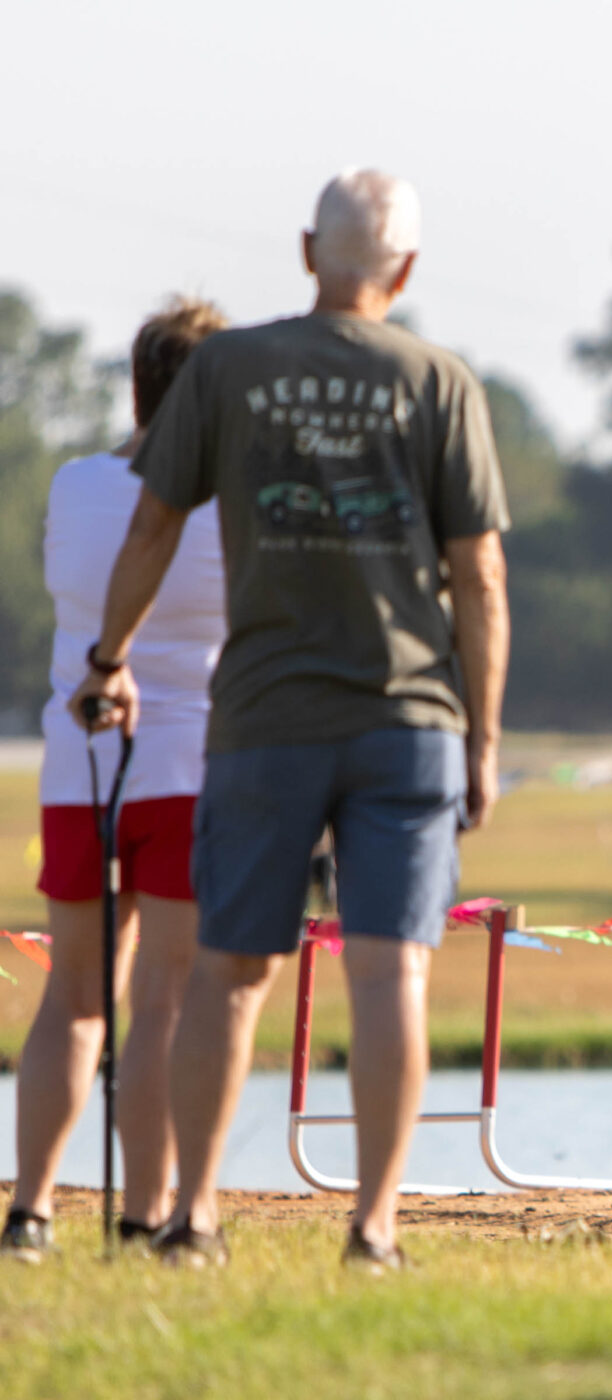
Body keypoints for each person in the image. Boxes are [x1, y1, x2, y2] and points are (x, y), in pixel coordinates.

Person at [69, 168, 510, 1271]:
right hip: (409, 715)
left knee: (229, 968)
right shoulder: (441, 380)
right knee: (389, 971)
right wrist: (486, 738)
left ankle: (194, 1216)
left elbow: (153, 525)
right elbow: (484, 578)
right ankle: (372, 1226)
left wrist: (109, 655)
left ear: (310, 249)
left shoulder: (226, 368)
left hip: (263, 716)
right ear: (403, 270)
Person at [2, 299, 228, 1264]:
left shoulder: (73, 484)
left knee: (74, 996)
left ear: (138, 386)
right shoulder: (229, 505)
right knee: (169, 1001)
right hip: (187, 768)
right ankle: (146, 1218)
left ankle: (31, 1214)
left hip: (77, 768)